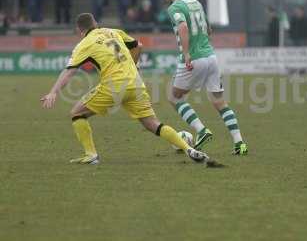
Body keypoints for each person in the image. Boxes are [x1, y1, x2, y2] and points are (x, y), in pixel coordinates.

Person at [40, 13, 209, 165]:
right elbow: (138, 46)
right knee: (152, 124)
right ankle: (189, 149)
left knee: (77, 113)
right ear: (96, 23)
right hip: (135, 84)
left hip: (114, 86)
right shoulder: (113, 31)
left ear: (79, 30)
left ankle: (91, 155)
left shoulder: (84, 44)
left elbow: (70, 71)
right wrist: (134, 67)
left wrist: (53, 91)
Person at [159, 0, 248, 155]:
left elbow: (183, 27)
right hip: (211, 57)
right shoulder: (195, 2)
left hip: (194, 58)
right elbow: (208, 29)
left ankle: (201, 130)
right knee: (220, 102)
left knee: (174, 97)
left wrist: (186, 53)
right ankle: (240, 144)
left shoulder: (175, 7)